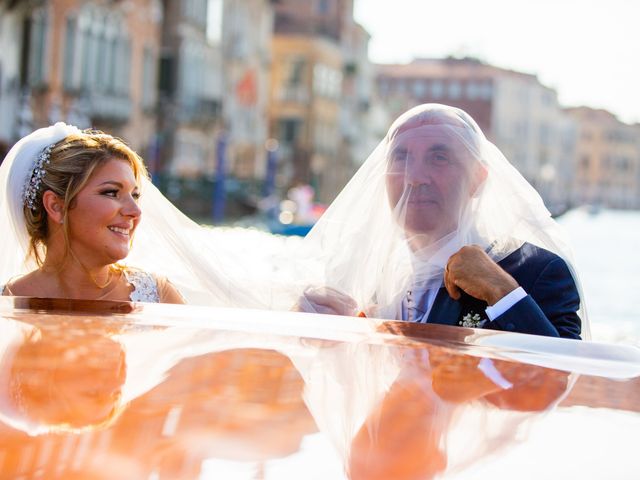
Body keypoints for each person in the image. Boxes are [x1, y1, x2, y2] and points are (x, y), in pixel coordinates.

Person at [298, 104, 587, 339]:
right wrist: (310, 333)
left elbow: (562, 383)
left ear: (477, 179)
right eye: (401, 157)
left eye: (439, 157)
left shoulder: (537, 271)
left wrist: (501, 290)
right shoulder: (361, 272)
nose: (414, 177)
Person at [0, 123, 184, 303]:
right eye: (111, 192)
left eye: (135, 195)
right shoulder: (6, 303)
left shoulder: (158, 296)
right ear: (56, 206)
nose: (135, 211)